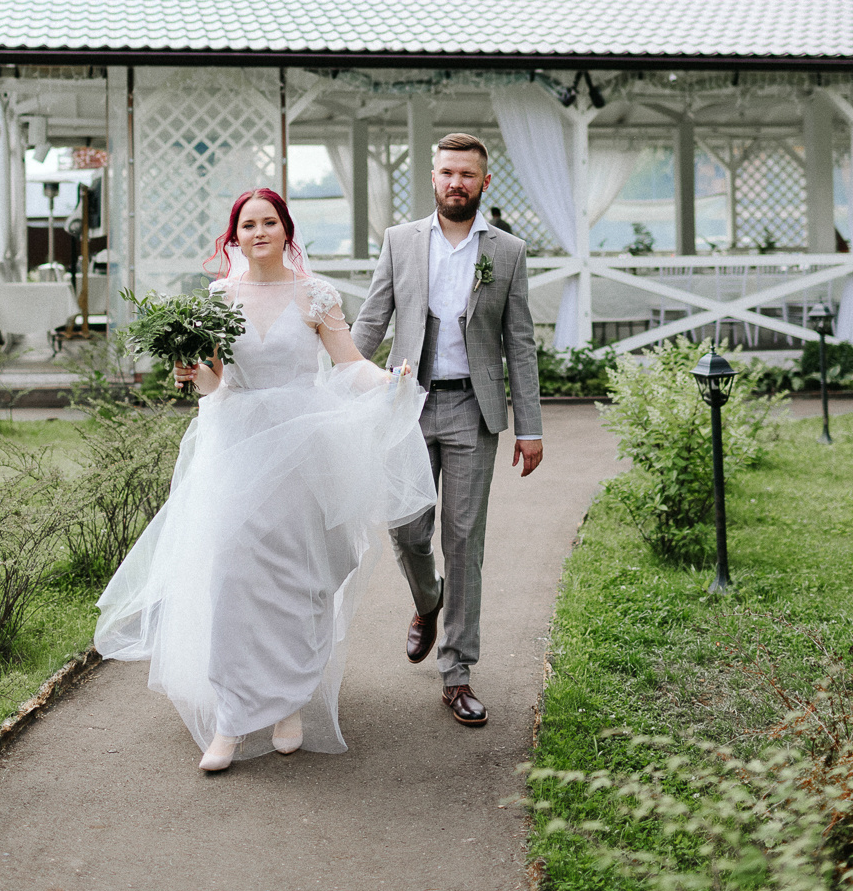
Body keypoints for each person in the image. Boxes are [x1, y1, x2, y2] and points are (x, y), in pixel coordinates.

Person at [94, 188, 435, 773]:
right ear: (233, 237)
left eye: (268, 222)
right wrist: (193, 373)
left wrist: (389, 381)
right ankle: (230, 718)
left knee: (298, 578)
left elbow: (349, 365)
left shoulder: (315, 295)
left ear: (285, 230)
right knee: (231, 575)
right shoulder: (217, 300)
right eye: (247, 224)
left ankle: (288, 704)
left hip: (304, 449)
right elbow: (214, 386)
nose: (258, 232)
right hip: (237, 448)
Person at [351, 132, 542, 728]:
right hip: (406, 405)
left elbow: (521, 342)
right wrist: (339, 394)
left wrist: (529, 427)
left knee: (463, 540)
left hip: (473, 412)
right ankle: (426, 602)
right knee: (407, 529)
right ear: (432, 178)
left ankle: (457, 673)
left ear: (485, 182)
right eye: (446, 173)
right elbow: (372, 319)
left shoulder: (506, 252)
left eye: (467, 174)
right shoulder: (400, 242)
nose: (455, 182)